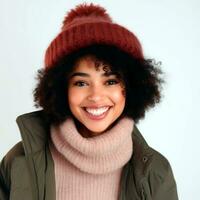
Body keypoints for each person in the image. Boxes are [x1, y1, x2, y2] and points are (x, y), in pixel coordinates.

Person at [0, 3, 179, 200]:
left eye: (110, 81)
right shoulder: (19, 161)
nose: (96, 95)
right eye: (81, 82)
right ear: (60, 89)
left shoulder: (156, 172)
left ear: (131, 87)